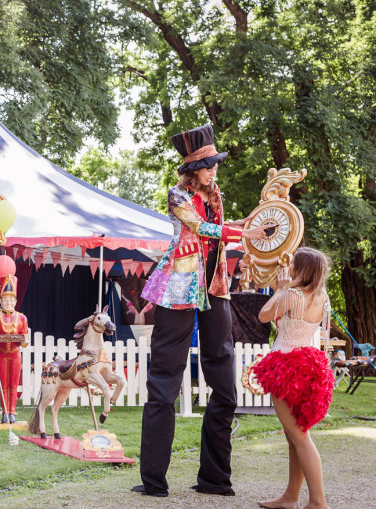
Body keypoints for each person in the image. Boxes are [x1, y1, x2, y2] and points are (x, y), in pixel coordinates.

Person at [135, 124, 266, 497]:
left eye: (214, 165)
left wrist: (250, 225)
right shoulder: (177, 195)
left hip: (215, 288)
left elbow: (221, 226)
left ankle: (214, 478)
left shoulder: (215, 194)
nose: (214, 171)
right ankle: (154, 481)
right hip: (179, 287)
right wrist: (242, 233)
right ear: (193, 169)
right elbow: (203, 229)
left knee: (224, 384)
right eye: (208, 166)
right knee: (164, 381)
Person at [253, 248, 334, 509]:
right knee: (294, 435)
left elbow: (263, 316)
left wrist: (279, 288)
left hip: (286, 367)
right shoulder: (322, 296)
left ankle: (318, 502)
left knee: (299, 437)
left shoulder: (292, 294)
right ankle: (291, 496)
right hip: (310, 365)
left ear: (301, 269)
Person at [0, 274, 29, 424]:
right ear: (0, 301)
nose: (8, 303)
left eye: (11, 300)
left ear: (16, 301)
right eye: (5, 300)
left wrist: (23, 340)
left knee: (13, 385)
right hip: (1, 354)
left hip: (15, 354)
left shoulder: (22, 318)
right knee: (4, 384)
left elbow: (24, 342)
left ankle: (13, 412)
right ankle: (5, 412)